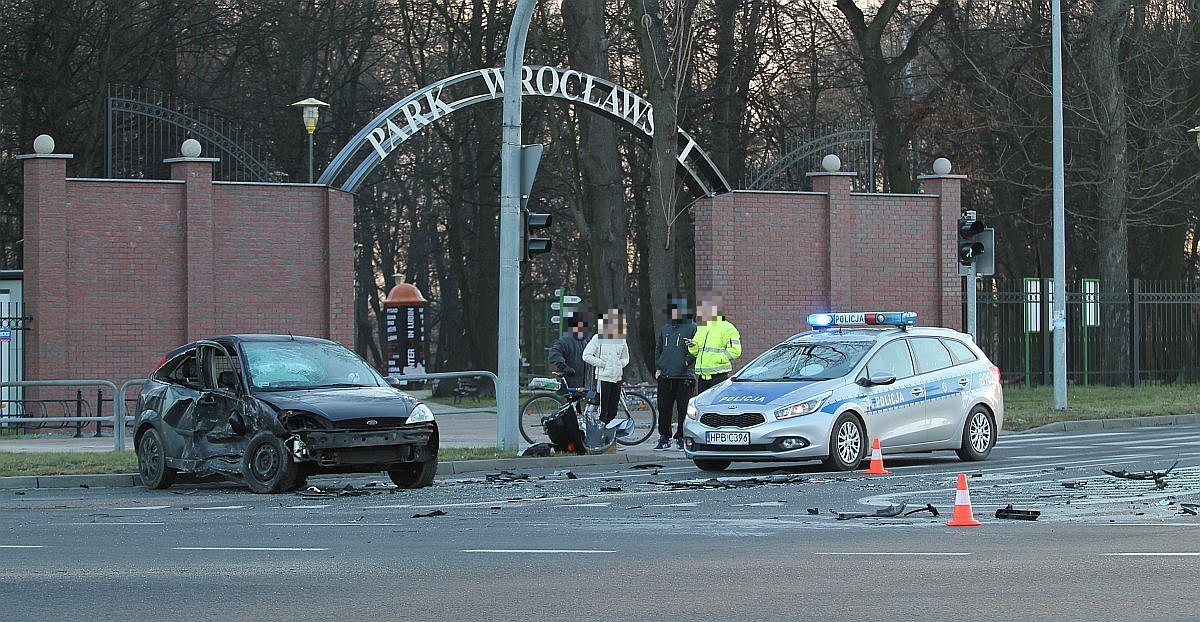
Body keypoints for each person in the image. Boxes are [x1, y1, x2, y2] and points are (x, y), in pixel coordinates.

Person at [654, 296, 697, 450]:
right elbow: (658, 348)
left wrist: (686, 362)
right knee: (664, 407)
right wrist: (658, 367)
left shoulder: (692, 327)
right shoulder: (665, 328)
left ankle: (681, 437)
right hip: (665, 375)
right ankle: (664, 437)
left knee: (683, 408)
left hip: (684, 376)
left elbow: (695, 349)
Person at [582, 308, 630, 426]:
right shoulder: (598, 338)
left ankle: (609, 436)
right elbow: (586, 355)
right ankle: (600, 434)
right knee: (603, 410)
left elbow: (626, 358)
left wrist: (621, 364)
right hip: (603, 378)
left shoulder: (621, 339)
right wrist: (602, 364)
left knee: (613, 411)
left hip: (617, 378)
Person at [688, 296, 742, 395]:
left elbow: (735, 351)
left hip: (718, 376)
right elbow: (696, 352)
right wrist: (692, 346)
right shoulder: (702, 327)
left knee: (716, 407)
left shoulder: (727, 328)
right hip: (702, 377)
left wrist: (717, 359)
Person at [548, 314, 591, 391]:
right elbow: (554, 354)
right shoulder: (565, 341)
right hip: (569, 383)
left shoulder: (585, 341)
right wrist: (565, 367)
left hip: (582, 384)